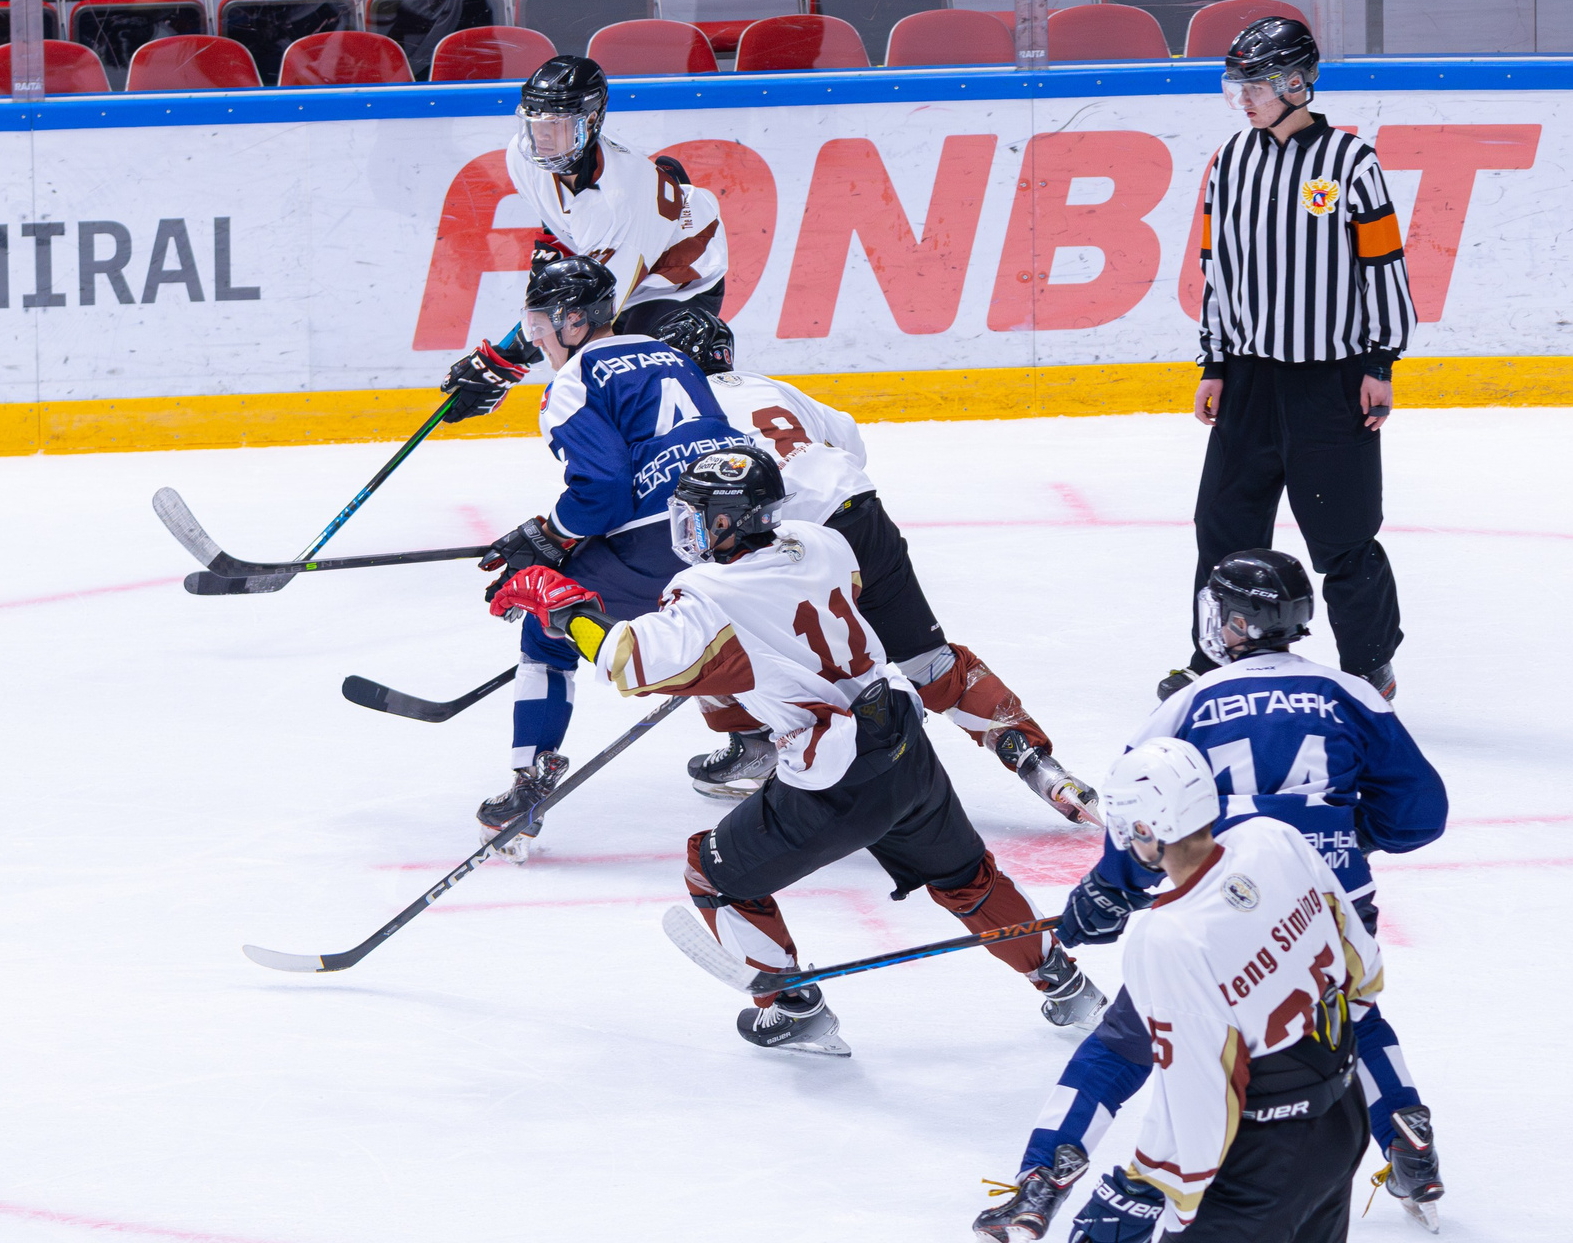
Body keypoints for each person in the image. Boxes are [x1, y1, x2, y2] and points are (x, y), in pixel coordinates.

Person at [486, 448, 1107, 1054]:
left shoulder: (705, 595)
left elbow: (625, 659)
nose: (687, 526)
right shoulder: (823, 542)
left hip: (835, 775)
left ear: (729, 520)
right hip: (904, 743)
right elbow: (819, 606)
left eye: (699, 513)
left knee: (714, 875)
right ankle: (1065, 983)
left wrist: (560, 603)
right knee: (967, 879)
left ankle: (792, 1009)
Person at [1060, 739, 1477, 1243]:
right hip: (1339, 1109)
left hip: (1267, 1151)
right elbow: (1360, 958)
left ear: (1147, 828)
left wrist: (1143, 1185)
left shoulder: (1164, 937)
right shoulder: (1270, 837)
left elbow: (1199, 1090)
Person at [975, 550, 1447, 1243]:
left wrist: (1108, 891)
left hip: (1225, 907)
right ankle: (1407, 1129)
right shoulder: (1352, 693)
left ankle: (1045, 1176)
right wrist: (1344, 834)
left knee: (1127, 1041)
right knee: (1343, 1010)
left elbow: (1142, 813)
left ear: (1229, 621)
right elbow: (1421, 811)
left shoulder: (1187, 702)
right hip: (1327, 894)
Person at [655, 307, 1099, 826]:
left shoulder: (681, 410)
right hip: (859, 514)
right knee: (927, 660)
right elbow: (850, 445)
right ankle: (1041, 765)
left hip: (788, 542)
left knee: (713, 628)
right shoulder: (770, 387)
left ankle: (757, 745)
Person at [1167, 16, 1416, 704]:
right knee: (1222, 527)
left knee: (1343, 537)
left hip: (1329, 384)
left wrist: (1380, 361)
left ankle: (1368, 667)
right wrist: (1213, 363)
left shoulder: (1351, 164)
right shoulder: (1229, 162)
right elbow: (1216, 268)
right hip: (1247, 381)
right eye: (1236, 86)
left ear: (1296, 84)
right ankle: (1212, 658)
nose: (1243, 100)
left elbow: (1382, 267)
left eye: (1256, 86)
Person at [470, 256, 752, 856]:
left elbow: (602, 492)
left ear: (575, 320)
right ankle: (775, 739)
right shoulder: (670, 353)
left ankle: (531, 780)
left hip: (666, 535)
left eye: (543, 322)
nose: (537, 334)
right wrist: (561, 530)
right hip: (743, 518)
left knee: (547, 622)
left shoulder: (573, 380)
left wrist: (552, 535)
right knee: (736, 629)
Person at [437, 56, 730, 424]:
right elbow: (560, 223)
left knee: (628, 387)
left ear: (590, 121)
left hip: (678, 278)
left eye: (555, 125)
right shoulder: (522, 154)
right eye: (533, 123)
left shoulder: (619, 202)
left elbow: (589, 309)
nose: (540, 136)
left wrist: (504, 360)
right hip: (626, 254)